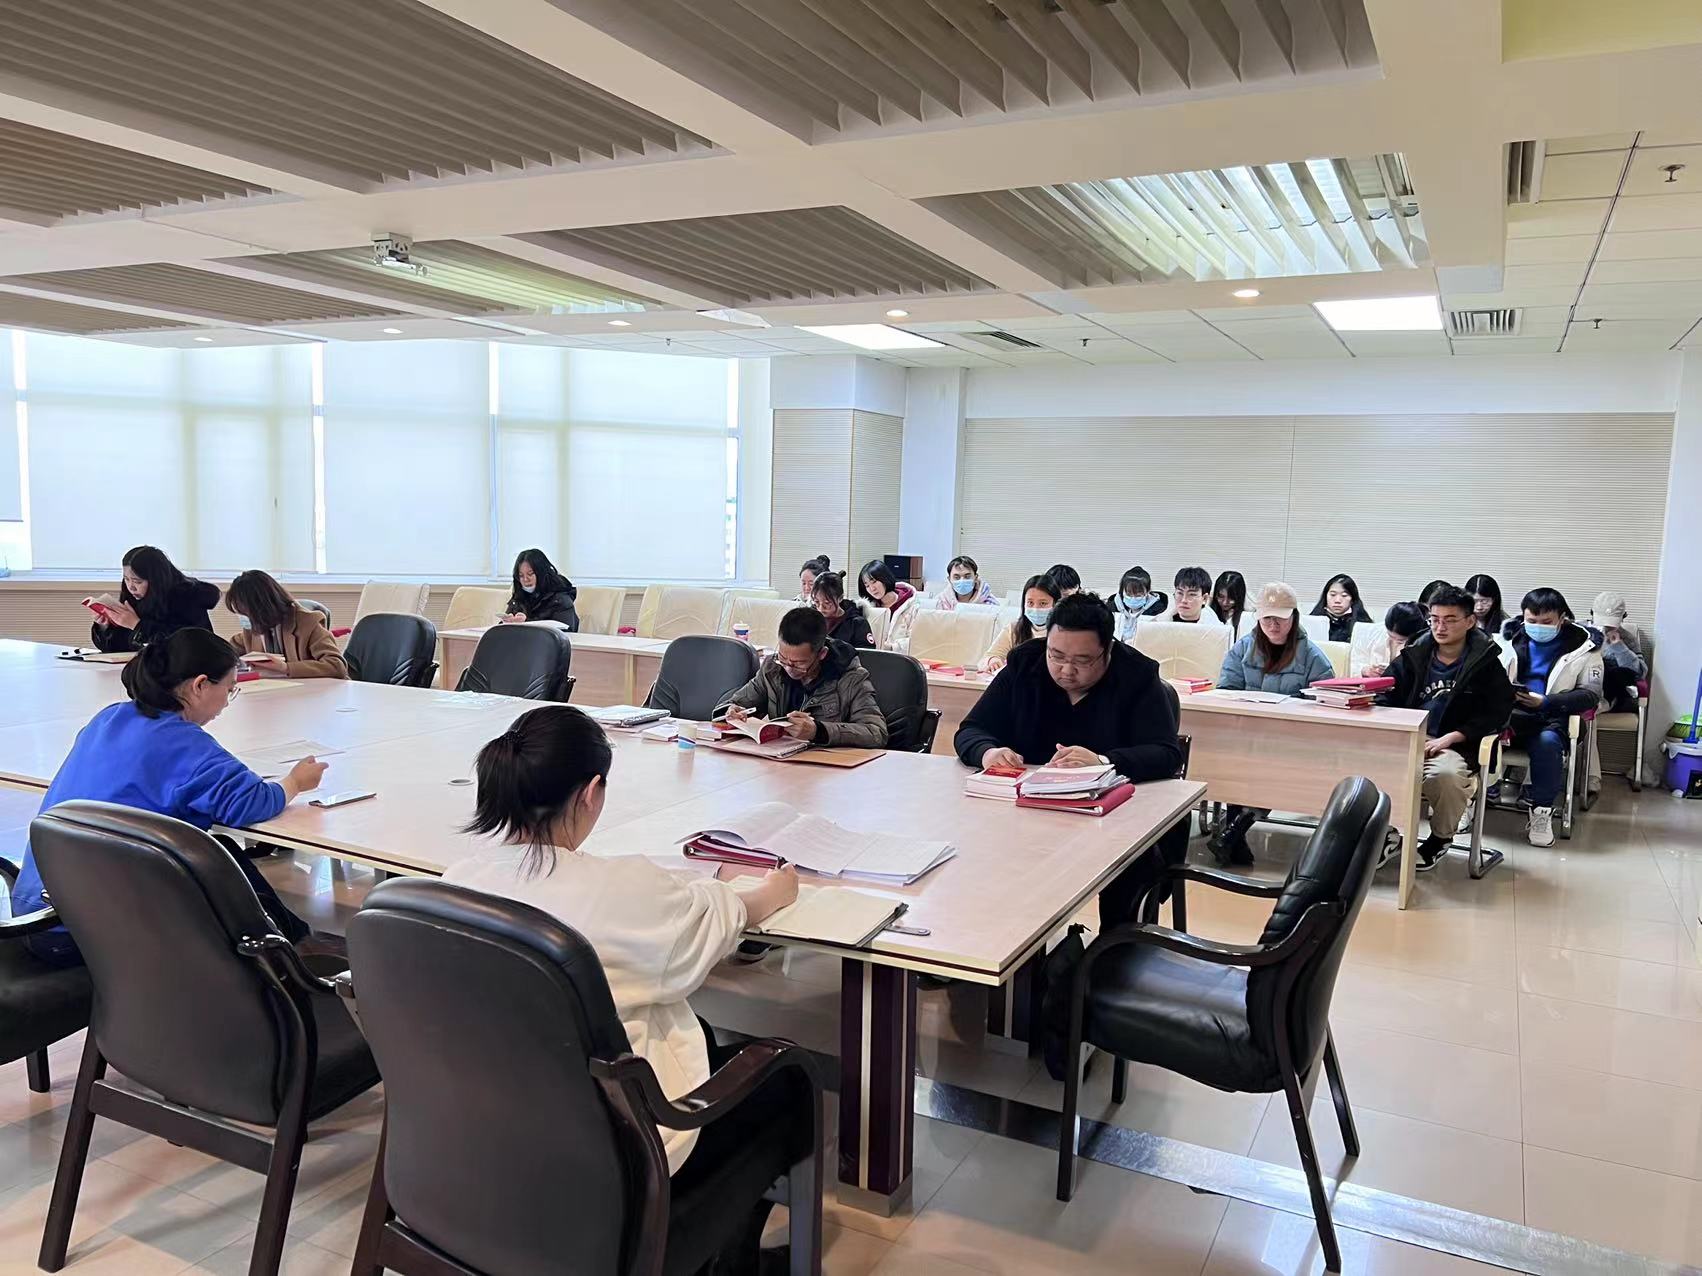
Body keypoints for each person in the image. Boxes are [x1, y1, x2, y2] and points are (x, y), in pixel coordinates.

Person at [444, 704, 812, 1268]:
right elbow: (719, 917)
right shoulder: (620, 891)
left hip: (482, 1141)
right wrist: (773, 891)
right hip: (612, 1165)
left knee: (697, 1031)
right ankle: (725, 1259)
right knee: (787, 1082)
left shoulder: (456, 882)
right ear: (592, 792)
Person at [11, 629, 326, 967]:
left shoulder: (109, 718)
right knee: (215, 861)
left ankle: (294, 941)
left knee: (221, 852)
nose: (226, 702)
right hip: (88, 932)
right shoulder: (185, 744)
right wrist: (294, 782)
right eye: (229, 689)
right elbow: (252, 803)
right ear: (200, 685)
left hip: (36, 915)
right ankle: (288, 955)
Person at [955, 592, 1185, 925]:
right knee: (979, 855)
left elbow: (1166, 753)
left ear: (1107, 650)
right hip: (1026, 816)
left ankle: (1113, 950)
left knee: (1129, 867)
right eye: (1056, 655)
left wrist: (1104, 761)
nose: (1065, 670)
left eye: (1082, 660)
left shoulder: (1136, 675)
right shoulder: (1024, 664)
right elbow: (971, 729)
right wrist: (988, 751)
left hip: (1112, 822)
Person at [1378, 587, 1515, 870]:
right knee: (1366, 764)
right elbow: (1386, 693)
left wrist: (1454, 736)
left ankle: (1439, 839)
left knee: (1446, 775)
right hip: (1408, 737)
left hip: (1456, 745)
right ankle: (1387, 835)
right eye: (1435, 619)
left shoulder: (1484, 661)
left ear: (1470, 621)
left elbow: (1498, 711)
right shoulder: (1415, 653)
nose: (1440, 627)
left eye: (1450, 620)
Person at [1211, 582, 1336, 865]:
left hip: (1292, 741)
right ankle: (1235, 834)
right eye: (1266, 618)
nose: (1273, 625)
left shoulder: (1313, 656)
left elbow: (1326, 704)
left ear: (1294, 617)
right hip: (1245, 734)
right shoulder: (1243, 649)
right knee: (1236, 761)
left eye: (1280, 618)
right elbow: (1226, 691)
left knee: (1267, 766)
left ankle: (1234, 831)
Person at [1505, 587, 1603, 848]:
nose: (1538, 627)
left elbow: (1590, 695)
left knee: (1547, 744)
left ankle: (1542, 812)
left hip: (1554, 717)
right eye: (1532, 621)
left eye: (1546, 622)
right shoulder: (1509, 640)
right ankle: (1468, 801)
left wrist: (1547, 702)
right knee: (1475, 730)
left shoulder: (1585, 647)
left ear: (1562, 618)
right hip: (1510, 714)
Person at [718, 607, 888, 748]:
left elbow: (876, 733)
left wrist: (818, 731)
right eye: (783, 658)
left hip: (829, 767)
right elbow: (736, 703)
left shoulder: (851, 678)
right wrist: (732, 711)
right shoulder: (772, 668)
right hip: (779, 761)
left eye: (799, 663)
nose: (788, 668)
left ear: (822, 654)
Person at [88, 545, 220, 652]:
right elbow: (117, 649)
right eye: (126, 579)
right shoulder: (134, 597)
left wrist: (137, 625)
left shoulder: (186, 597)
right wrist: (105, 627)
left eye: (137, 581)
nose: (131, 587)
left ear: (156, 580)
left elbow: (185, 645)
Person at [225, 569, 347, 679]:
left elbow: (336, 665)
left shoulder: (309, 623)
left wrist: (286, 667)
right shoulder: (254, 628)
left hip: (316, 691)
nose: (243, 619)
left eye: (245, 613)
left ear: (262, 607)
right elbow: (229, 651)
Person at [982, 574, 1060, 673]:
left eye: (1043, 603)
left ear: (1055, 604)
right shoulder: (1014, 628)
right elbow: (990, 655)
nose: (1035, 608)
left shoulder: (1064, 632)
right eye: (1030, 603)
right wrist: (992, 660)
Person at [1587, 589, 1647, 710]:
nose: (1607, 627)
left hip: (1612, 688)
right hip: (1586, 680)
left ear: (1623, 617)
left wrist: (1619, 646)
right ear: (1591, 613)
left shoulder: (1628, 638)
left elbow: (1639, 673)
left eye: (1611, 624)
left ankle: (1604, 703)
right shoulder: (1580, 631)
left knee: (1617, 673)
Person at [500, 548, 579, 629]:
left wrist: (525, 623)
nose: (525, 579)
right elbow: (500, 628)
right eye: (521, 576)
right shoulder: (519, 598)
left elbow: (566, 631)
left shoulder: (560, 598)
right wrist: (507, 622)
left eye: (530, 574)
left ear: (542, 573)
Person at [1359, 600, 1427, 677]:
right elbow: (1356, 663)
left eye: (1400, 640)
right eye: (1390, 636)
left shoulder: (1421, 645)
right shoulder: (1373, 634)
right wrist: (1366, 670)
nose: (1394, 641)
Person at [809, 571, 873, 648]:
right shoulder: (810, 619)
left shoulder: (857, 624)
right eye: (816, 602)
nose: (821, 608)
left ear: (840, 598)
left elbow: (866, 653)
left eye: (827, 603)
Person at [1108, 566, 1168, 642]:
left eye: (1138, 595)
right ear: (1122, 591)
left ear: (1148, 592)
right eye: (1129, 594)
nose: (1133, 598)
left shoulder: (1158, 612)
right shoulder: (1114, 608)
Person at [1310, 574, 1372, 643]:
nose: (1337, 600)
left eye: (1344, 595)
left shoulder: (1363, 625)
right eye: (1333, 595)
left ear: (1353, 599)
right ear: (1325, 596)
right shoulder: (1313, 621)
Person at [1211, 571, 1249, 636]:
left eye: (1231, 598)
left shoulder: (1248, 615)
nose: (1225, 602)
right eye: (1221, 596)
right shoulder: (1207, 610)